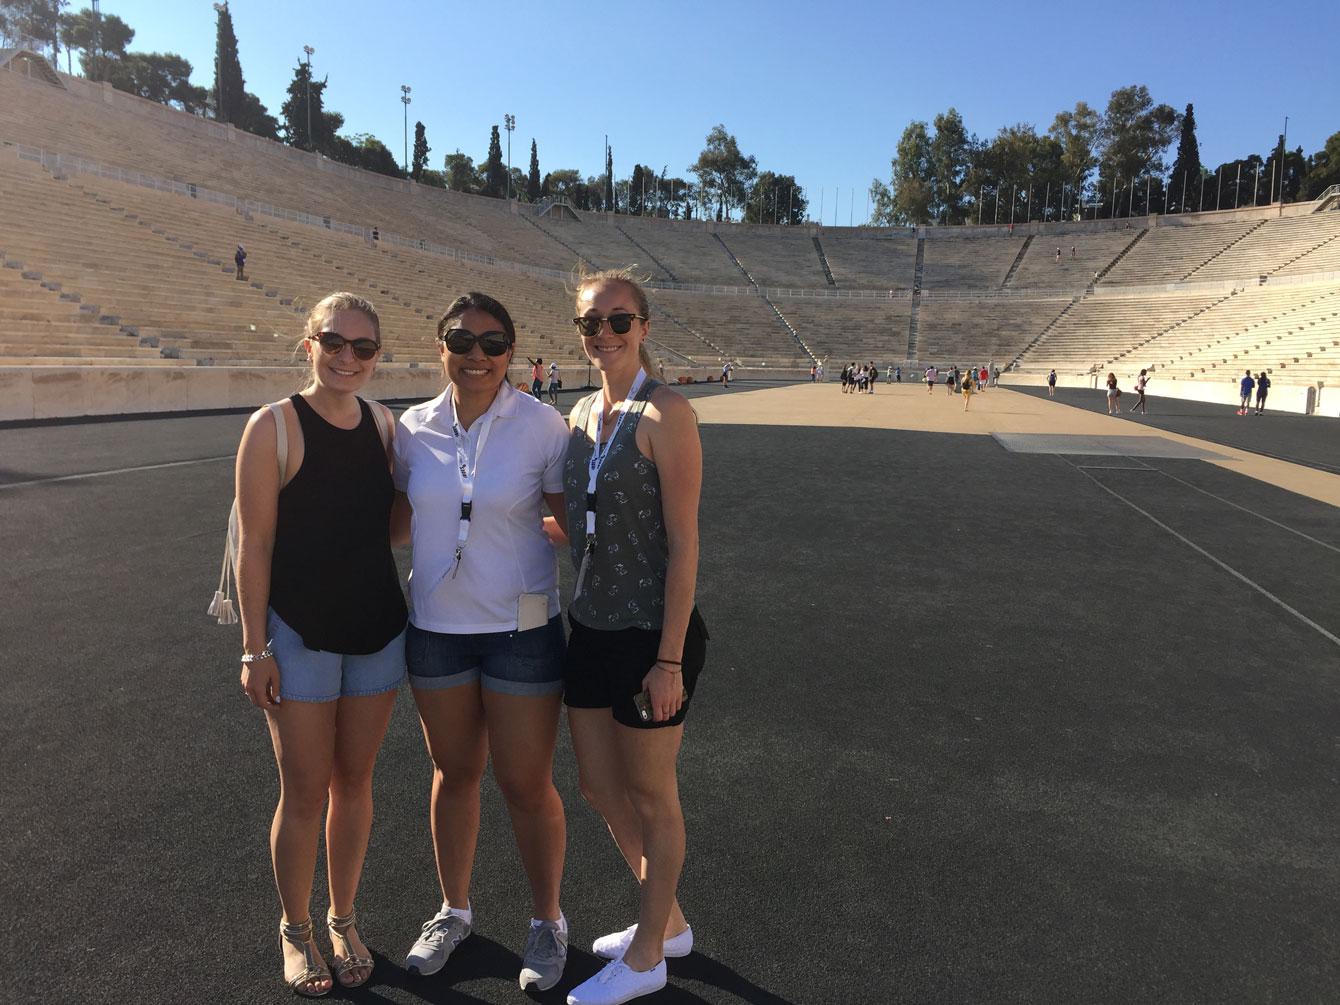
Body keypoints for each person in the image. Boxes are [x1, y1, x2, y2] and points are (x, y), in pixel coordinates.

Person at [394, 293, 572, 993]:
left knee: (526, 782)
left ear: (513, 350)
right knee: (453, 773)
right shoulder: (410, 428)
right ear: (440, 344)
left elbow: (571, 521)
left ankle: (548, 920)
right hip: (437, 630)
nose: (477, 354)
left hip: (520, 630)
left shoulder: (542, 425)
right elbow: (392, 522)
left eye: (493, 342)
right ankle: (454, 910)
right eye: (461, 339)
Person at [235, 292, 407, 997]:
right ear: (308, 343)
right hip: (299, 634)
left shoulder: (386, 426)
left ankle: (342, 918)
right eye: (334, 342)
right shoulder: (272, 426)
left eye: (363, 348)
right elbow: (256, 546)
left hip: (376, 632)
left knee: (355, 783)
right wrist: (254, 647)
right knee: (304, 790)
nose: (347, 357)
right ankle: (296, 927)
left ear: (377, 356)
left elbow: (393, 527)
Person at [562, 268, 706, 1005]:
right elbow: (581, 524)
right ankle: (668, 919)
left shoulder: (666, 412)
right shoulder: (584, 411)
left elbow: (684, 543)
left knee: (652, 795)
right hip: (588, 626)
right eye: (592, 323)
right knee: (597, 785)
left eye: (620, 321)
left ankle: (649, 954)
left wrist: (669, 658)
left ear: (644, 327)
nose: (605, 335)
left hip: (652, 635)